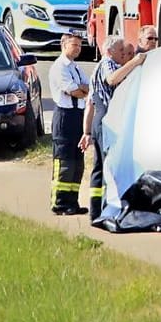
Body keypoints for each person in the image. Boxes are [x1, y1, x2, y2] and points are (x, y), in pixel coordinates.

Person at [83, 35, 147, 220]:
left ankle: (96, 210)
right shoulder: (107, 64)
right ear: (110, 51)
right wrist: (135, 62)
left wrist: (87, 131)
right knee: (110, 165)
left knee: (100, 166)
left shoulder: (104, 66)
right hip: (106, 120)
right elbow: (112, 79)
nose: (122, 55)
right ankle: (107, 210)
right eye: (120, 51)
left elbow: (90, 104)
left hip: (100, 120)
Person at [49, 33, 92, 215]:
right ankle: (59, 203)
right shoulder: (59, 67)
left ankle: (72, 202)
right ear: (64, 45)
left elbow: (88, 88)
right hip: (64, 116)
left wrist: (81, 89)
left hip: (78, 115)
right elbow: (74, 91)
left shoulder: (76, 67)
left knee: (77, 162)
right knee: (64, 161)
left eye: (80, 46)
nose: (78, 49)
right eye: (74, 45)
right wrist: (80, 89)